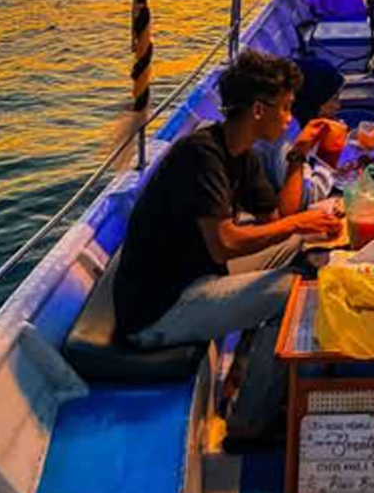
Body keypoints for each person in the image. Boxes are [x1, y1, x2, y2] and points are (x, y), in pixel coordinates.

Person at [113, 50, 341, 446]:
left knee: (299, 246)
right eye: (285, 109)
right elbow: (224, 245)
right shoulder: (201, 154)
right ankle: (248, 424)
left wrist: (299, 155)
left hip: (199, 276)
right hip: (161, 308)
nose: (290, 118)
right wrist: (299, 222)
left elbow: (279, 219)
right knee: (294, 295)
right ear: (258, 109)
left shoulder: (242, 153)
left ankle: (244, 374)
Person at [254, 56, 346, 215]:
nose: (338, 106)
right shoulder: (287, 137)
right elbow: (303, 198)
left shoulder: (299, 120)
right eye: (334, 99)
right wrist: (328, 161)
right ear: (314, 101)